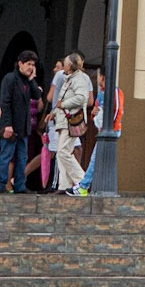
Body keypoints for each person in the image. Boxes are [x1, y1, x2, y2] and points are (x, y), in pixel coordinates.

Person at [0, 53, 38, 193]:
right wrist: (7, 124)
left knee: (22, 158)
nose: (31, 67)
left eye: (33, 65)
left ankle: (20, 185)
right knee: (6, 155)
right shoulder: (10, 79)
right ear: (20, 63)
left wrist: (32, 80)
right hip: (11, 125)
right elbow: (5, 102)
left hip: (23, 127)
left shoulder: (27, 81)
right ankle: (1, 185)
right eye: (28, 64)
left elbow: (36, 95)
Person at [54, 53, 93, 191]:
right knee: (61, 153)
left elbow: (82, 98)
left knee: (63, 152)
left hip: (70, 121)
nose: (63, 65)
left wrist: (63, 104)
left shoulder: (79, 79)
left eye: (64, 63)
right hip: (64, 121)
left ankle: (82, 181)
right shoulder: (70, 78)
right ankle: (64, 186)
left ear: (69, 66)